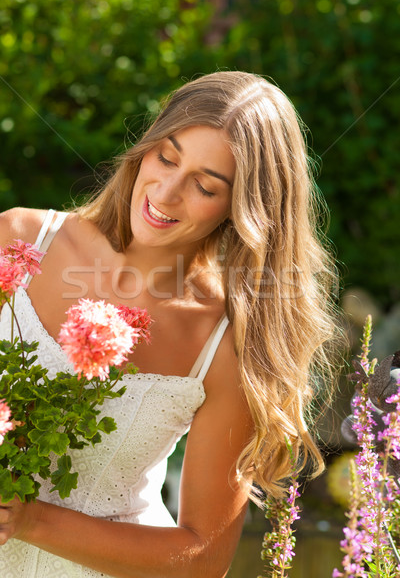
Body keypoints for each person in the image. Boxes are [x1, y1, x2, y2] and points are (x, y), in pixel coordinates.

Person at [0, 70, 339, 577]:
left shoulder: (226, 343)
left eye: (205, 185)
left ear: (240, 208)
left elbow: (204, 557)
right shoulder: (18, 239)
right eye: (166, 157)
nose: (167, 191)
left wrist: (27, 520)